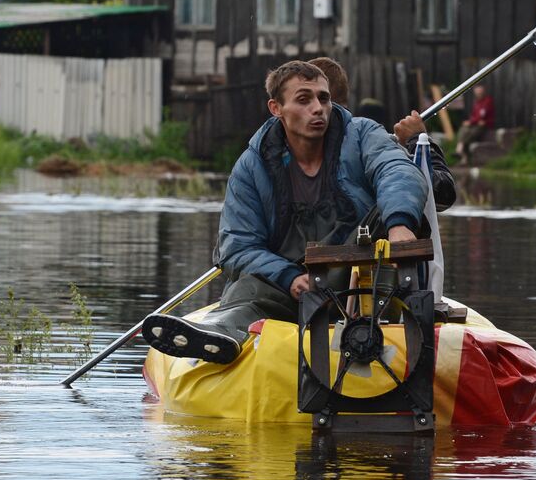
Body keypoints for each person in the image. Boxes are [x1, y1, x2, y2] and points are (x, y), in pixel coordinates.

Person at [139, 60, 428, 364]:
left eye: (323, 98)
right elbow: (237, 245)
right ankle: (223, 333)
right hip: (289, 289)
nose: (318, 108)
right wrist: (289, 277)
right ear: (276, 108)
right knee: (248, 286)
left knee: (379, 226)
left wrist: (400, 224)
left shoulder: (363, 134)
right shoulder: (251, 167)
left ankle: (381, 327)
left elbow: (396, 170)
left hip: (355, 277)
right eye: (304, 100)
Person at [307, 56, 456, 211]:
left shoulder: (368, 145)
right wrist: (418, 139)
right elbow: (442, 195)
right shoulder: (367, 146)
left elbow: (441, 195)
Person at [455, 84, 495, 165]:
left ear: (483, 91)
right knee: (464, 129)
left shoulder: (487, 101)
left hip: (485, 125)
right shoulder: (477, 103)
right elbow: (474, 116)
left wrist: (471, 122)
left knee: (470, 133)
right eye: (477, 92)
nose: (478, 93)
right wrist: (471, 122)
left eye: (480, 91)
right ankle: (462, 153)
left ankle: (460, 151)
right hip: (476, 124)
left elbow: (481, 116)